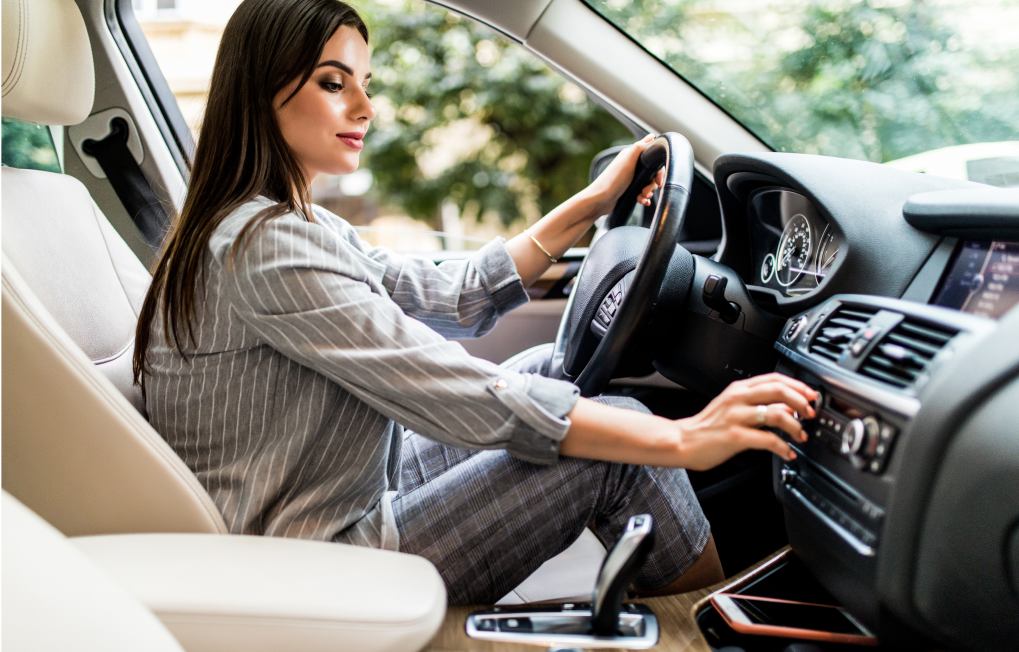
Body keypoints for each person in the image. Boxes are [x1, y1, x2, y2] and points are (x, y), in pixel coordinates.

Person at [133, 0, 817, 605]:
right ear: (260, 91)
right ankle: (705, 623)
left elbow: (447, 297)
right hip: (315, 554)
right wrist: (683, 440)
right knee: (618, 444)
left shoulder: (291, 224)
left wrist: (591, 206)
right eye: (332, 83)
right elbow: (453, 390)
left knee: (549, 368)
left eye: (364, 85)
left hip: (335, 499)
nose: (365, 109)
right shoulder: (264, 247)